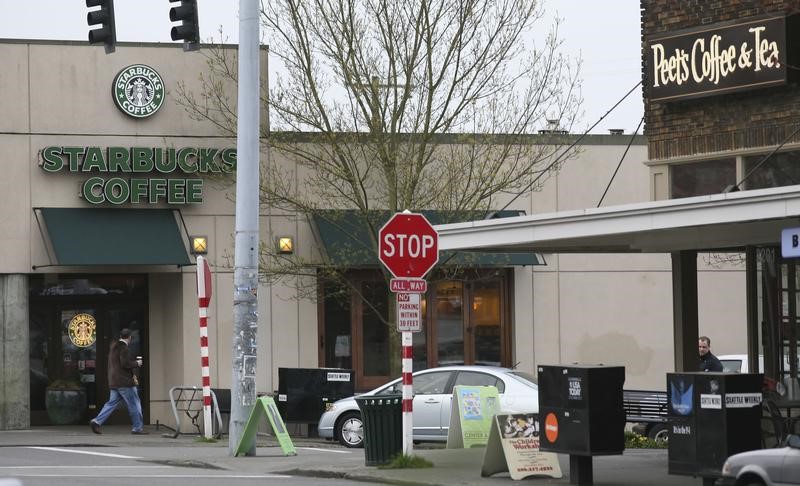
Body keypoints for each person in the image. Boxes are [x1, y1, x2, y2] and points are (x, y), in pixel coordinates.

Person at [90, 328, 147, 434]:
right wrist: (137, 363)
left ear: (121, 336)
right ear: (129, 337)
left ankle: (97, 421)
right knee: (134, 404)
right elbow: (125, 364)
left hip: (114, 381)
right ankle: (137, 428)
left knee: (111, 403)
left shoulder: (113, 347)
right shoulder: (124, 348)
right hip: (124, 382)